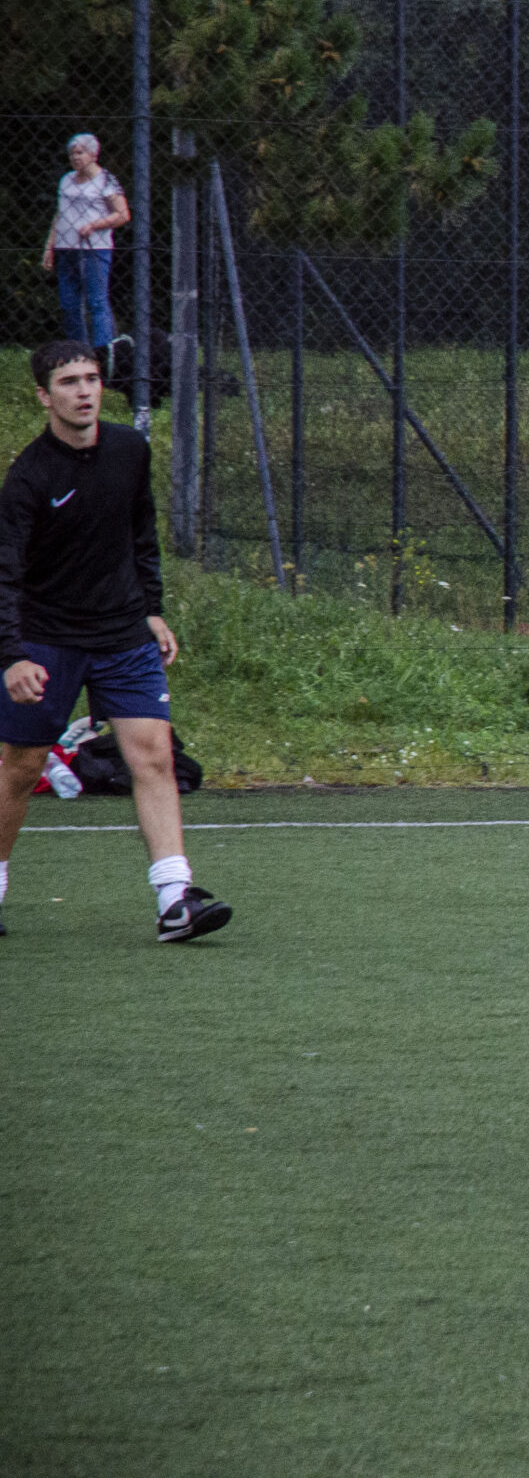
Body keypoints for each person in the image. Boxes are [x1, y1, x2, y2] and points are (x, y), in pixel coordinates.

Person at [0, 341, 227, 943]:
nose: (84, 391)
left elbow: (140, 532)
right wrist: (12, 655)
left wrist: (151, 610)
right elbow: (5, 573)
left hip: (123, 633)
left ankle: (175, 899)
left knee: (153, 756)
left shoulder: (129, 449)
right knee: (20, 769)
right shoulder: (29, 477)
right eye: (68, 382)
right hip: (46, 640)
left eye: (92, 378)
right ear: (44, 396)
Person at [42, 135, 130, 352]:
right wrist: (50, 245)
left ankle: (103, 352)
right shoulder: (66, 180)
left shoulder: (105, 180)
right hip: (66, 249)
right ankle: (79, 350)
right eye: (72, 153)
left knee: (96, 302)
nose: (75, 157)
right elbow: (60, 214)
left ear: (93, 154)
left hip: (94, 249)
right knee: (69, 304)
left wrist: (95, 225)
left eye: (80, 152)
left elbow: (122, 214)